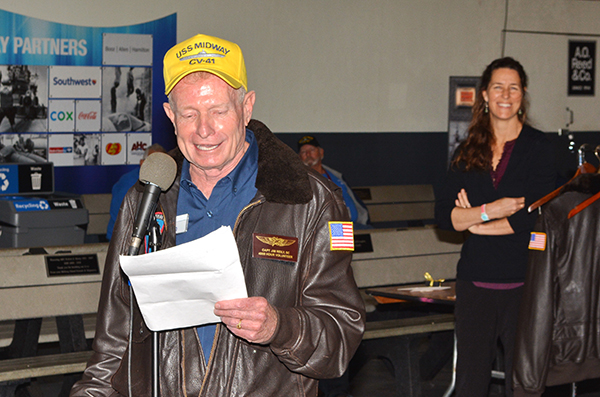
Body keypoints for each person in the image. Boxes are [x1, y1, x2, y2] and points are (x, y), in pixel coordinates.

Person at [70, 33, 365, 396]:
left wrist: (279, 327)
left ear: (247, 107)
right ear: (170, 116)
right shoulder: (146, 201)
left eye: (218, 111)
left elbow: (341, 335)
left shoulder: (312, 200)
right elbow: (115, 339)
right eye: (189, 114)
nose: (204, 130)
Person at [434, 57, 556, 397]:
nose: (506, 94)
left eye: (513, 87)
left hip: (527, 284)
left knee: (524, 384)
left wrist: (474, 220)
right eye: (498, 87)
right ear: (485, 94)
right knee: (472, 384)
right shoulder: (466, 150)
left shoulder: (540, 148)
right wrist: (494, 210)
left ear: (523, 94)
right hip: (475, 283)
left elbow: (535, 216)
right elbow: (446, 216)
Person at [298, 135, 370, 229]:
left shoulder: (336, 176)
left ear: (321, 152)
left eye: (312, 150)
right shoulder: (299, 181)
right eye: (303, 152)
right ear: (299, 157)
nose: (308, 154)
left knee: (374, 235)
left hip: (354, 225)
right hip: (327, 229)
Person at [106, 143, 166, 240]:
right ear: (142, 163)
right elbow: (125, 220)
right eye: (154, 163)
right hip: (122, 239)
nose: (158, 168)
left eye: (162, 164)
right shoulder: (128, 184)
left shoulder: (166, 182)